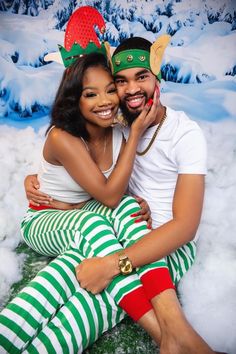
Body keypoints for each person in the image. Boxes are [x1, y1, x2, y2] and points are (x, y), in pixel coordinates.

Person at [21, 36, 218, 354]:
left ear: (157, 75)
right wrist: (36, 181)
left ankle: (179, 339)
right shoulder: (120, 124)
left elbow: (185, 227)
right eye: (121, 81)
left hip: (164, 247)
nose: (130, 90)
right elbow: (74, 164)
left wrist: (112, 265)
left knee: (85, 308)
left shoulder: (185, 133)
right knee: (63, 275)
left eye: (141, 76)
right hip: (116, 230)